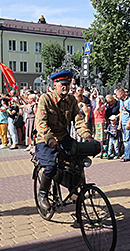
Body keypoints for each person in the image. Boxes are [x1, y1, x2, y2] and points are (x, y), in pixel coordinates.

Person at [34, 70, 94, 211]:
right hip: (44, 138)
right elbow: (41, 122)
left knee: (78, 160)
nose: (65, 87)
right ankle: (42, 194)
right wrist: (49, 138)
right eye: (63, 84)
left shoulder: (72, 100)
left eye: (68, 84)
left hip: (63, 137)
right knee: (50, 166)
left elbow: (78, 121)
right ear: (55, 84)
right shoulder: (46, 99)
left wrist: (88, 136)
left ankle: (73, 190)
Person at [117, 88, 130, 162]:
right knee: (124, 140)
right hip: (123, 122)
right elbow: (121, 112)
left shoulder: (129, 100)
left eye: (117, 95)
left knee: (128, 139)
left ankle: (127, 156)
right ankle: (126, 153)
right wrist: (119, 123)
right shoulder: (121, 101)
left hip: (128, 122)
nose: (117, 96)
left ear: (121, 94)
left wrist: (129, 123)